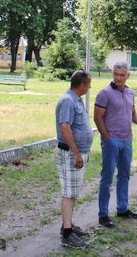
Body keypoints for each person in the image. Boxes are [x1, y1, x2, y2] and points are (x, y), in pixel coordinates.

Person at [94, 61, 137, 228]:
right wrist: (107, 138)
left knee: (124, 175)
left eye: (122, 75)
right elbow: (97, 117)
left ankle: (122, 208)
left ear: (128, 76)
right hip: (112, 140)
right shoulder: (104, 93)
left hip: (127, 139)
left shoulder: (130, 92)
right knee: (107, 177)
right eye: (116, 74)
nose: (118, 78)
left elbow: (132, 113)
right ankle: (103, 214)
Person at [55, 70, 94, 249]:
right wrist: (76, 153)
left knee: (73, 192)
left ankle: (68, 225)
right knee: (69, 193)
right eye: (89, 84)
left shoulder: (75, 100)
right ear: (82, 85)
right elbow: (65, 127)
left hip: (78, 153)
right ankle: (67, 233)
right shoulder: (67, 101)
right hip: (69, 154)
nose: (90, 87)